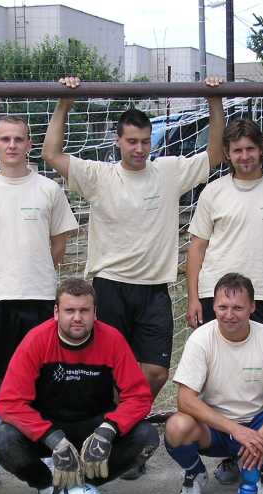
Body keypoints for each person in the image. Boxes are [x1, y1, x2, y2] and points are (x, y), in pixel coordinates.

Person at [42, 77, 224, 410]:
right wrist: (64, 103)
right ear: (118, 141)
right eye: (131, 142)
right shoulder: (99, 176)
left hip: (154, 289)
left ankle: (123, 422)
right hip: (110, 286)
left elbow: (214, 154)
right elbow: (51, 154)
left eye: (144, 141)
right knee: (108, 371)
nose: (139, 149)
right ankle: (112, 427)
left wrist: (214, 100)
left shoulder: (168, 172)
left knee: (155, 372)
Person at [0, 115, 78, 494]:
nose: (12, 145)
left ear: (29, 144)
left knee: (44, 380)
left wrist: (35, 270)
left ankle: (49, 459)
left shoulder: (48, 189)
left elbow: (58, 242)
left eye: (19, 139)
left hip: (40, 298)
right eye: (5, 139)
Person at [185, 118, 263, 486]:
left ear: (261, 149)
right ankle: (224, 446)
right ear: (227, 154)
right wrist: (193, 296)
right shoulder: (213, 192)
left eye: (250, 148)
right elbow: (197, 246)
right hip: (217, 296)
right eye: (237, 150)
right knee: (217, 373)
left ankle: (253, 452)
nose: (245, 156)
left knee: (259, 378)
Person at [0, 278, 160, 494]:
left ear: (95, 313)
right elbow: (9, 403)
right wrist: (51, 438)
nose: (77, 318)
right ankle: (47, 488)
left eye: (84, 311)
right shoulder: (36, 340)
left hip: (94, 428)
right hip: (48, 429)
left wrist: (109, 429)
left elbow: (139, 397)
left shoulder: (112, 339)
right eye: (69, 310)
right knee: (1, 439)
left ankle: (81, 486)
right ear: (56, 312)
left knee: (147, 437)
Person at [164, 273, 263, 494]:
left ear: (252, 307)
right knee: (176, 427)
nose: (229, 314)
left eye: (238, 308)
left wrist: (261, 437)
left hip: (256, 421)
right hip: (214, 426)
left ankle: (253, 464)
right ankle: (195, 472)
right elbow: (185, 399)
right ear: (213, 306)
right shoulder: (200, 339)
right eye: (222, 307)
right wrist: (235, 430)